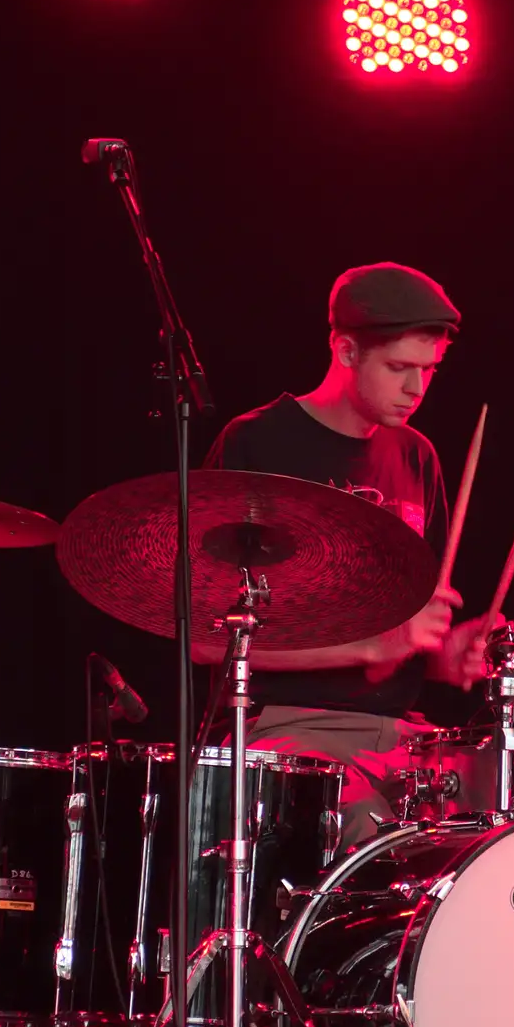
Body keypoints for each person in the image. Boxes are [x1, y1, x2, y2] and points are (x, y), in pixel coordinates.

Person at [200, 262, 491, 846]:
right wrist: (369, 643)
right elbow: (207, 639)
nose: (417, 388)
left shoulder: (417, 456)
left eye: (428, 370)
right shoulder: (256, 443)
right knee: (369, 834)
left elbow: (405, 648)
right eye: (399, 368)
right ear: (345, 349)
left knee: (503, 829)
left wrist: (445, 654)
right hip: (291, 729)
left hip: (405, 737)